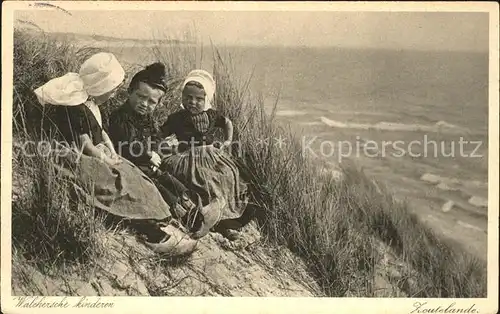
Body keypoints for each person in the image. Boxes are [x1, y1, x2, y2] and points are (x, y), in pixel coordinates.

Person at [34, 53, 197, 254]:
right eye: (110, 90)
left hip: (100, 154)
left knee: (134, 175)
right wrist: (105, 158)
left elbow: (102, 134)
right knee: (118, 181)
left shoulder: (90, 105)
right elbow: (84, 145)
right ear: (99, 86)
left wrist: (111, 152)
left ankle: (158, 219)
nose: (112, 95)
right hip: (79, 157)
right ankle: (150, 231)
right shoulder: (74, 108)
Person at [107, 62, 212, 236]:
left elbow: (156, 135)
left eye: (151, 102)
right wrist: (148, 155)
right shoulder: (120, 117)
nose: (144, 104)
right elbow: (126, 145)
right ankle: (179, 215)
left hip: (147, 163)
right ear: (130, 91)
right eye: (140, 97)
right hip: (130, 164)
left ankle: (190, 207)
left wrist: (156, 149)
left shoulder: (146, 118)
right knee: (157, 187)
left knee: (170, 180)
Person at [160, 69, 249, 241]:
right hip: (187, 157)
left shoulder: (212, 115)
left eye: (199, 99)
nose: (192, 102)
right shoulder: (176, 118)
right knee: (201, 179)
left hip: (210, 155)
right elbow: (160, 134)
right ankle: (206, 215)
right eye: (188, 97)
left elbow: (228, 123)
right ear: (183, 96)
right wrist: (162, 145)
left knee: (228, 176)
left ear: (206, 99)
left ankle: (225, 219)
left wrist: (228, 141)